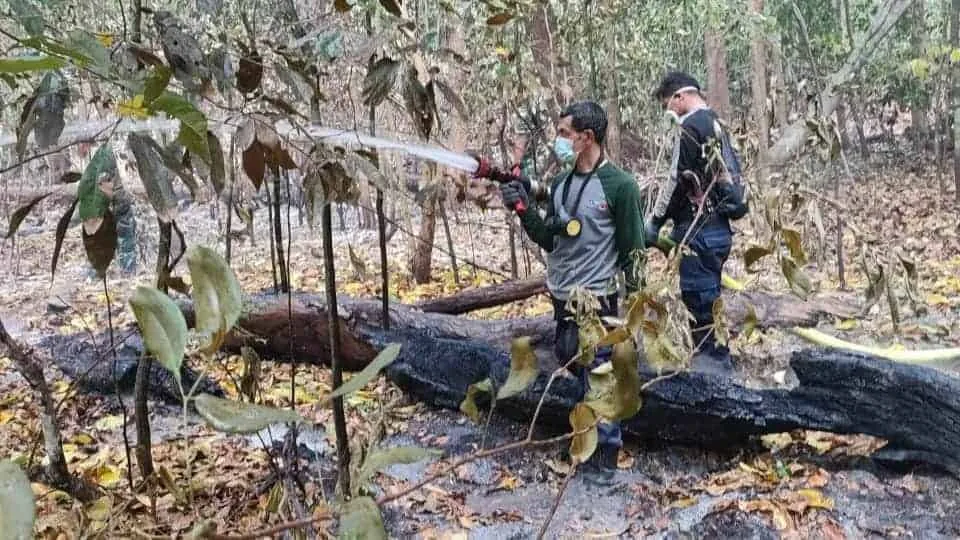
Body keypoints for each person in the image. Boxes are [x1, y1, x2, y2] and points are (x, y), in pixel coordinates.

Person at [474, 101, 646, 482]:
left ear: (587, 138)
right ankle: (584, 449)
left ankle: (604, 468)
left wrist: (636, 316)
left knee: (601, 381)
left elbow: (634, 251)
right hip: (562, 298)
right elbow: (549, 237)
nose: (559, 140)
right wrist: (521, 208)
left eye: (565, 133)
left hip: (597, 302)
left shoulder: (621, 186)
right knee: (575, 368)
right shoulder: (564, 185)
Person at [645, 71, 749, 374]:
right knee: (710, 300)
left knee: (700, 303)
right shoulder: (716, 123)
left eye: (668, 104)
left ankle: (715, 371)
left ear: (680, 97)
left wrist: (655, 220)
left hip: (699, 231)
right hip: (718, 231)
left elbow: (676, 180)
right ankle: (716, 360)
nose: (668, 112)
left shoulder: (689, 127)